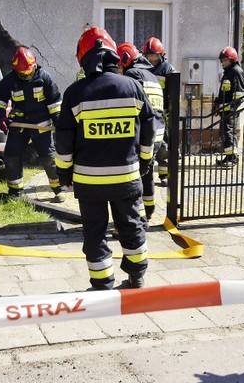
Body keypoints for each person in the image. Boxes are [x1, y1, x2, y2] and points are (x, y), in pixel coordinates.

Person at [55, 28, 156, 290]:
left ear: (84, 58)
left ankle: (102, 284)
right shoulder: (133, 87)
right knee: (132, 226)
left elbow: (63, 142)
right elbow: (149, 128)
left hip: (90, 183)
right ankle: (137, 276)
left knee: (94, 232)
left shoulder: (75, 94)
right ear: (113, 56)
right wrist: (145, 162)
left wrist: (64, 175)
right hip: (127, 178)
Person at [0, 47, 65, 202]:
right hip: (18, 124)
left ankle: (59, 189)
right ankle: (15, 191)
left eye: (28, 71)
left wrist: (59, 121)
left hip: (41, 125)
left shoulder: (44, 77)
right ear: (15, 70)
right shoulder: (10, 80)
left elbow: (55, 102)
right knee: (12, 156)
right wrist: (1, 118)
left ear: (35, 65)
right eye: (22, 73)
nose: (26, 75)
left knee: (49, 158)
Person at [117, 42, 166, 224]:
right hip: (157, 134)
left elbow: (132, 106)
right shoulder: (151, 76)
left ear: (126, 60)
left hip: (143, 135)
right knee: (147, 173)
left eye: (120, 65)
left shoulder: (133, 75)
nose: (119, 69)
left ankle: (136, 219)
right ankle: (150, 209)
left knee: (134, 177)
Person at [142, 37, 176, 186]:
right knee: (147, 143)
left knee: (164, 145)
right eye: (149, 56)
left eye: (155, 55)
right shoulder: (142, 69)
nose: (152, 59)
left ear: (161, 55)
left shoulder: (167, 69)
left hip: (162, 113)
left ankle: (164, 175)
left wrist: (169, 111)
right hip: (147, 114)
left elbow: (173, 92)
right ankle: (146, 175)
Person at [214, 46, 244, 167]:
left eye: (226, 60)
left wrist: (233, 107)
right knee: (225, 133)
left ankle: (233, 159)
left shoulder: (236, 71)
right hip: (225, 110)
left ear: (233, 59)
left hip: (231, 110)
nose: (224, 62)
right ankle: (228, 157)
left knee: (229, 132)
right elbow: (225, 91)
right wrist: (217, 102)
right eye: (223, 60)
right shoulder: (228, 72)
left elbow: (239, 93)